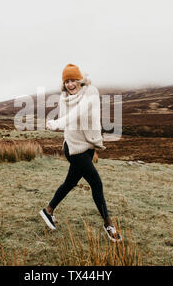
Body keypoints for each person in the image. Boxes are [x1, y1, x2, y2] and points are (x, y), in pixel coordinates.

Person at [40, 63, 122, 242]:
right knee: (96, 183)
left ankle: (48, 211)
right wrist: (58, 124)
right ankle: (108, 223)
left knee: (69, 183)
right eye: (66, 81)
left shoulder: (91, 92)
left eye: (73, 80)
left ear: (80, 81)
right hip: (74, 148)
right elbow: (69, 119)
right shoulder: (63, 99)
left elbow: (81, 110)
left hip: (87, 146)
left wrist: (93, 147)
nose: (70, 85)